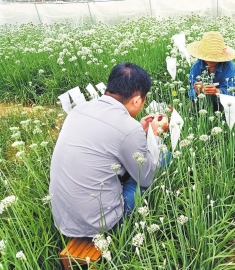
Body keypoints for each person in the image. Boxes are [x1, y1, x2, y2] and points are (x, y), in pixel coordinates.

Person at [49, 62, 168, 237]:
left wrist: (139, 130)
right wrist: (155, 136)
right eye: (144, 100)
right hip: (101, 225)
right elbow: (147, 178)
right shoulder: (128, 128)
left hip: (63, 220)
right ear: (136, 100)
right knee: (165, 157)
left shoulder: (79, 109)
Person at [186, 31, 235, 112]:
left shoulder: (229, 67)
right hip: (202, 101)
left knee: (228, 111)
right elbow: (191, 92)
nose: (210, 60)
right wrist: (197, 91)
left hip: (222, 101)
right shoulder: (196, 66)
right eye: (208, 56)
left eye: (214, 57)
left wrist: (217, 92)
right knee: (191, 109)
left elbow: (231, 91)